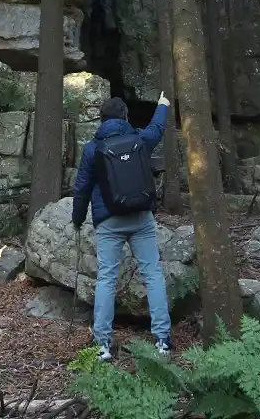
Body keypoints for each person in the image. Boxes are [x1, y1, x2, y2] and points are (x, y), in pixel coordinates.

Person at [72, 91, 172, 362]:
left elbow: (82, 188)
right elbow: (157, 128)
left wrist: (78, 218)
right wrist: (162, 104)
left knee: (106, 278)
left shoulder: (92, 148)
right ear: (125, 117)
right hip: (141, 217)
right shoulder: (139, 138)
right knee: (152, 274)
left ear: (102, 120)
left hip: (109, 221)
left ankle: (103, 344)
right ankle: (162, 341)